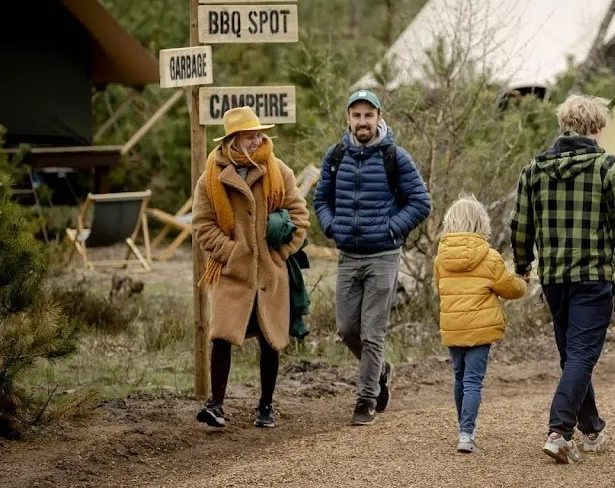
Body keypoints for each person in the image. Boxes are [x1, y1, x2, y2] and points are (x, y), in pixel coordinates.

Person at [509, 94, 615, 464]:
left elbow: (521, 226)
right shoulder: (609, 169)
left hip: (554, 279)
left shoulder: (533, 170)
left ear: (563, 125)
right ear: (598, 128)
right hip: (592, 278)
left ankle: (592, 429)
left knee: (574, 356)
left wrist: (523, 266)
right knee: (581, 355)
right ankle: (559, 432)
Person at [313, 89, 432, 425]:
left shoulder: (396, 157)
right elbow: (321, 199)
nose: (362, 121)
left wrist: (391, 229)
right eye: (356, 115)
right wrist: (331, 226)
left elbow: (421, 202)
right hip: (348, 254)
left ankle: (366, 399)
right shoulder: (336, 156)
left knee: (372, 332)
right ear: (348, 119)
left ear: (379, 117)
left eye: (368, 115)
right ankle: (381, 370)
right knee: (347, 328)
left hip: (383, 255)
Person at [191, 106, 310, 429]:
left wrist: (280, 253)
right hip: (232, 271)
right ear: (233, 139)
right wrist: (231, 252)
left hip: (270, 271)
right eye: (250, 135)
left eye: (259, 133)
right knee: (221, 336)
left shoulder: (278, 170)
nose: (258, 139)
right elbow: (202, 224)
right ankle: (215, 405)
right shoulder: (211, 177)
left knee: (271, 338)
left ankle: (266, 405)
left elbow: (299, 218)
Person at [434, 194, 527, 453]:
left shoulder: (441, 258)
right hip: (481, 327)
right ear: (480, 224)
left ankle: (462, 428)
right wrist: (523, 282)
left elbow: (440, 288)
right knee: (473, 380)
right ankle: (466, 433)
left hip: (452, 325)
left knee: (459, 376)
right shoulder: (489, 257)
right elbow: (509, 288)